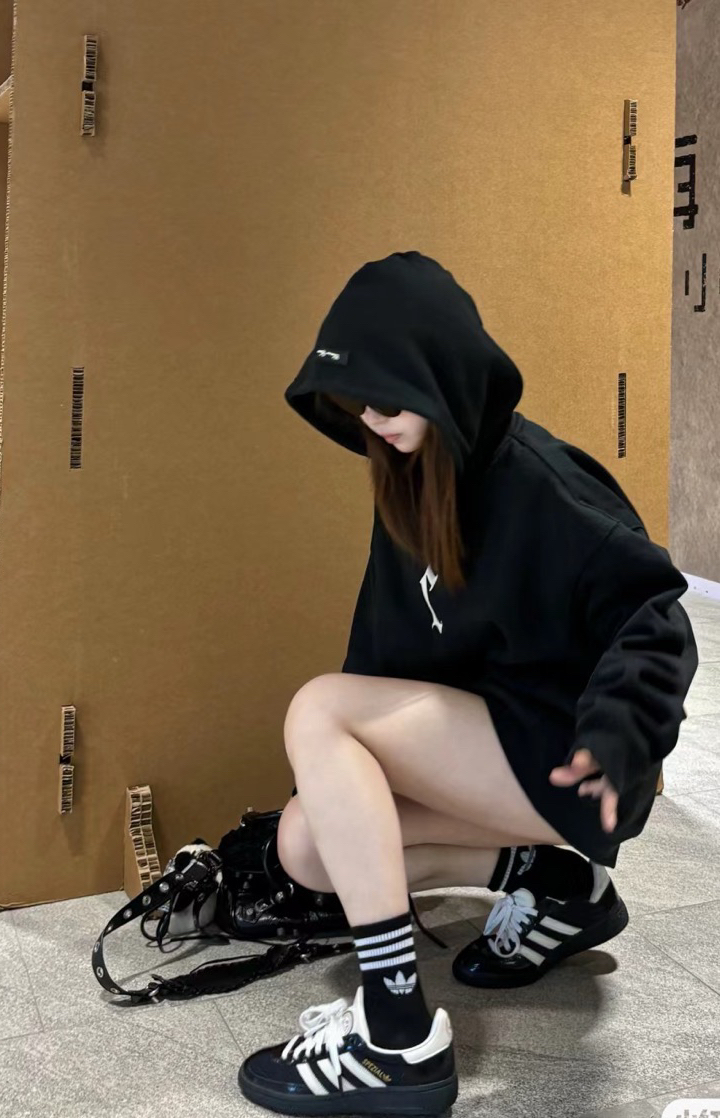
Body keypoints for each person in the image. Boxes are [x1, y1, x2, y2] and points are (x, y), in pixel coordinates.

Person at [236, 250, 699, 1117]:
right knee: (308, 846)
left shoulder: (543, 485)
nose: (372, 419)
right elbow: (387, 656)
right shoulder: (411, 483)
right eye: (358, 402)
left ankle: (395, 1037)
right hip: (495, 746)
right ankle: (559, 885)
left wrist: (618, 729)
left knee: (319, 707)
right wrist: (340, 786)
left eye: (388, 397)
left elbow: (658, 617)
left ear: (441, 376)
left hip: (580, 756)